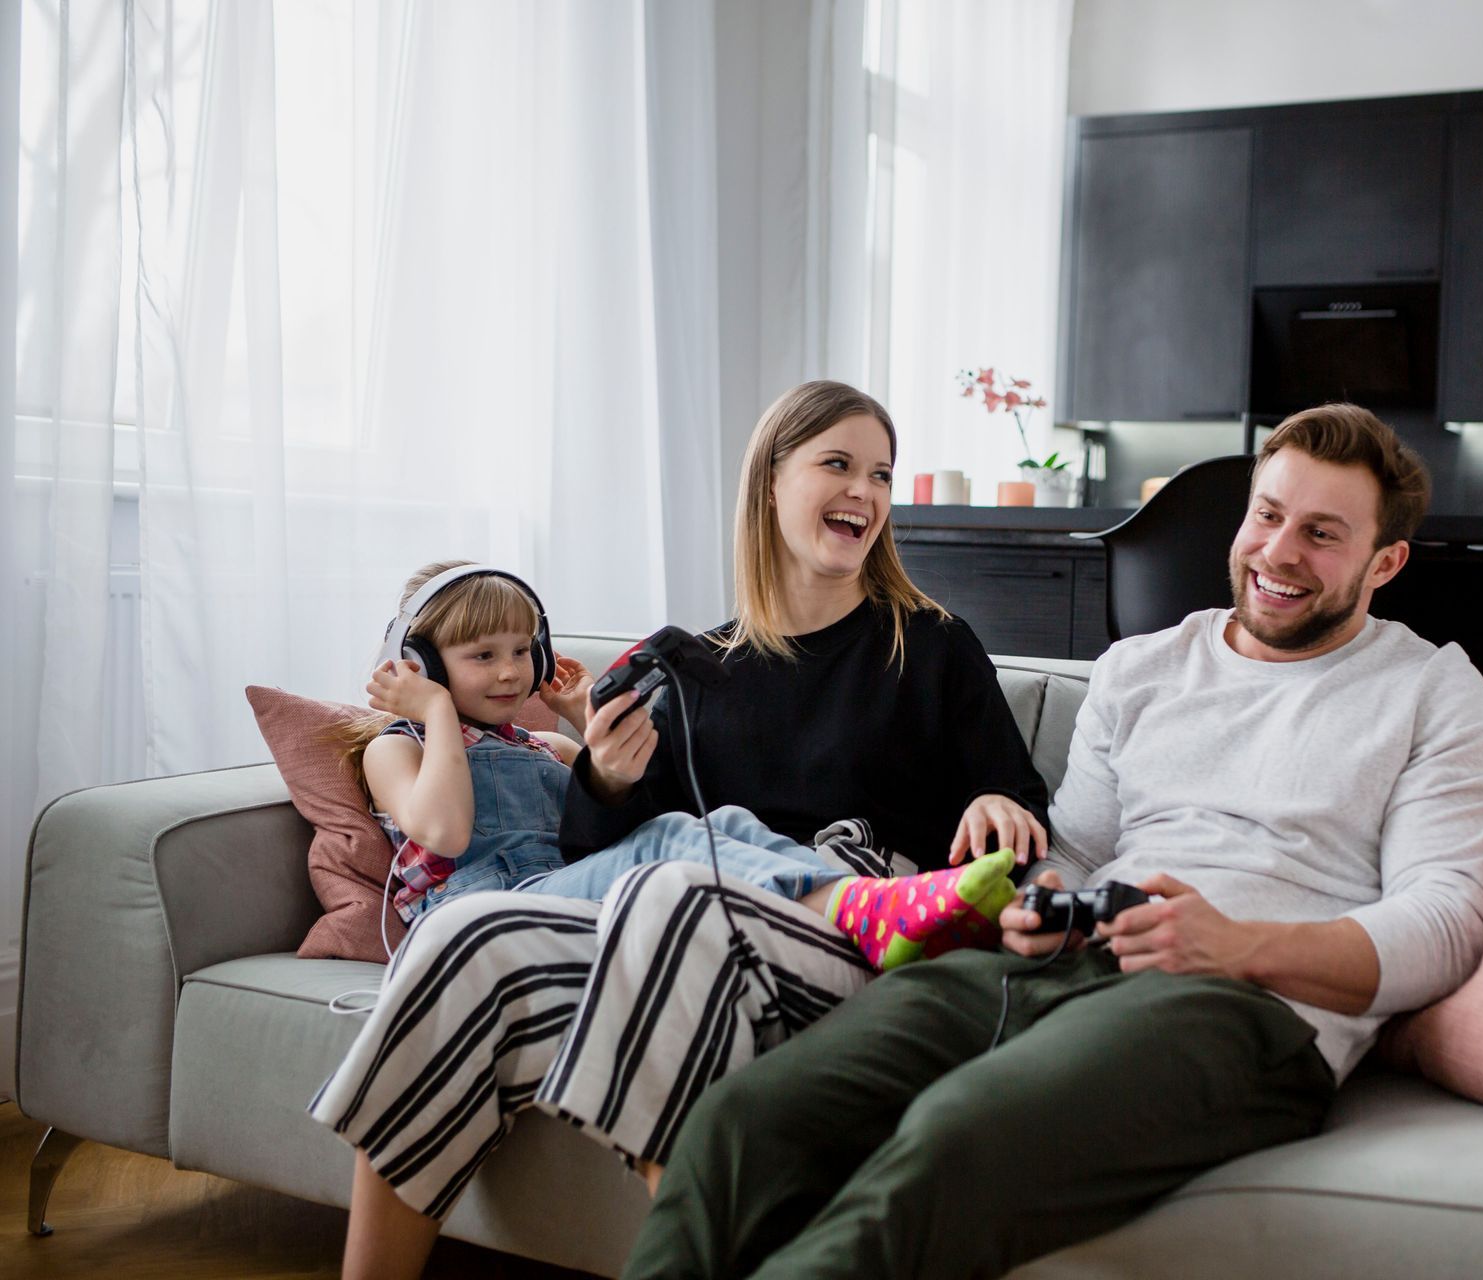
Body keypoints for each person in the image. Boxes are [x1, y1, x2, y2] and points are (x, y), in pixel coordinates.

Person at [622, 401, 1483, 1280]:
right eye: (1269, 515)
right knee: (748, 1119)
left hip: (1242, 1007)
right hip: (1058, 965)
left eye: (1323, 534)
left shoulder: (1433, 690)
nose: (1280, 552)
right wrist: (1039, 897)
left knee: (961, 1135)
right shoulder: (1143, 669)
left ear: (1385, 560)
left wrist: (1239, 945)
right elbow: (1078, 852)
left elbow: (1446, 923)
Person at [308, 381, 1052, 1280]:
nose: (866, 490)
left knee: (676, 883)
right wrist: (608, 773)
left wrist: (996, 807)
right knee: (467, 929)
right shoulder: (699, 668)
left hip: (867, 936)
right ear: (770, 483)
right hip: (681, 924)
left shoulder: (929, 643)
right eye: (838, 464)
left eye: (882, 474)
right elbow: (595, 850)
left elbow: (1017, 801)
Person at [339, 559, 1023, 955]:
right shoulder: (399, 748)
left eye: (522, 651)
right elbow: (447, 831)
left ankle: (865, 904)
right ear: (421, 662)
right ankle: (865, 912)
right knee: (667, 838)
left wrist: (584, 720)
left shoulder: (542, 744)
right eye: (482, 657)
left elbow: (600, 825)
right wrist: (428, 708)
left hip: (562, 903)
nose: (512, 673)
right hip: (478, 922)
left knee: (718, 821)